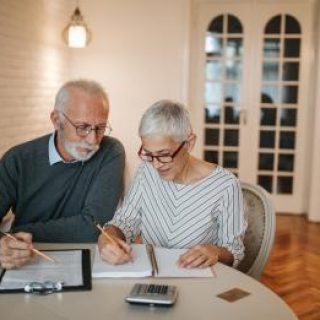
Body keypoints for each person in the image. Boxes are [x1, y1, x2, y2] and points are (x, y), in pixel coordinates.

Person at [98, 100, 246, 269]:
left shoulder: (225, 185)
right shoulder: (146, 172)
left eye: (164, 154)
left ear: (189, 143)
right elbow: (125, 221)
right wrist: (107, 236)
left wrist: (215, 251)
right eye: (148, 154)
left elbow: (234, 251)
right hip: (150, 275)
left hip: (198, 278)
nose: (156, 165)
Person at [0, 79, 125, 269]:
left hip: (89, 261)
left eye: (100, 128)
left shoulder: (110, 151)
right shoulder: (17, 159)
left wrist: (17, 231)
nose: (93, 139)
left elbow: (94, 226)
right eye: (82, 127)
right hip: (27, 262)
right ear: (57, 121)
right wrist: (4, 244)